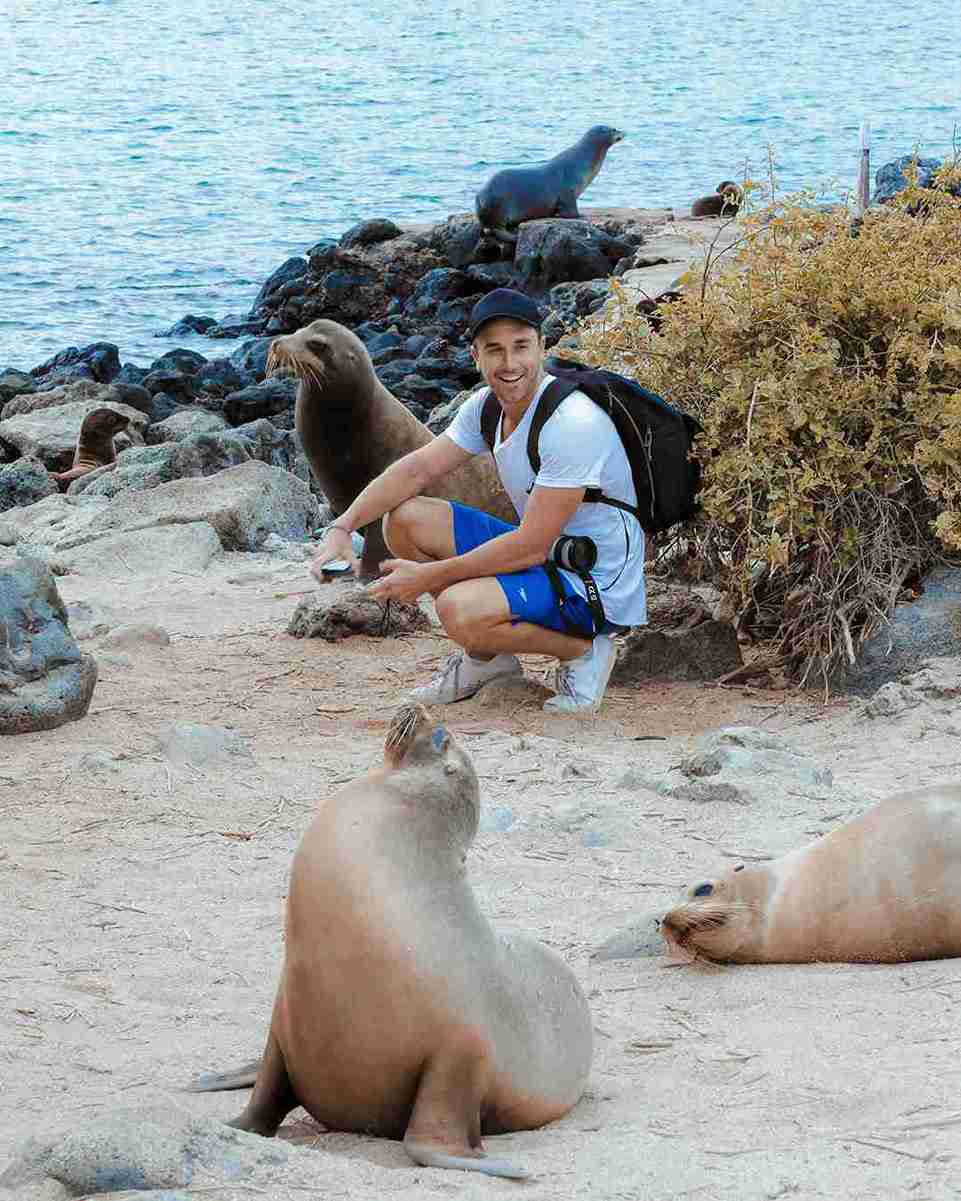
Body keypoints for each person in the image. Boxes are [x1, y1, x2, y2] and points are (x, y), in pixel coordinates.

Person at [309, 288, 647, 713]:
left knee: (458, 610)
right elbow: (416, 470)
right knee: (405, 519)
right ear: (476, 356)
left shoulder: (572, 423)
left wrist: (428, 578)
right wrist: (342, 527)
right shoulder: (487, 408)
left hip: (596, 576)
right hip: (551, 553)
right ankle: (489, 661)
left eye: (521, 347)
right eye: (495, 351)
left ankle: (584, 652)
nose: (509, 364)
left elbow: (530, 546)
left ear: (542, 346)